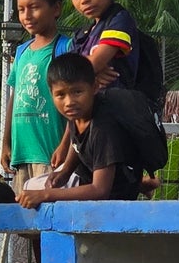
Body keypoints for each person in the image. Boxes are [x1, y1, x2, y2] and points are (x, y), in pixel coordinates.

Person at [16, 51, 143, 211]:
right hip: (92, 190)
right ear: (51, 94)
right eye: (60, 95)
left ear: (95, 87)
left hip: (113, 207)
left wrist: (46, 194)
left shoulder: (103, 129)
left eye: (77, 92)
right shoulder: (77, 115)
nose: (69, 102)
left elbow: (100, 190)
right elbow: (77, 143)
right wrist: (65, 172)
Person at [0, 0, 71, 194]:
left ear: (56, 8)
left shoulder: (65, 48)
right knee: (24, 223)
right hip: (22, 155)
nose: (27, 15)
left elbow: (76, 103)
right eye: (21, 10)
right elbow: (15, 96)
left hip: (51, 154)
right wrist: (6, 141)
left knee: (48, 217)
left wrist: (65, 144)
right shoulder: (21, 52)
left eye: (35, 7)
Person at [62, 0, 140, 91]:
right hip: (91, 107)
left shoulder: (119, 19)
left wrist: (91, 69)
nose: (83, 0)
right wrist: (91, 74)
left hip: (116, 106)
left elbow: (91, 65)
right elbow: (70, 70)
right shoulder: (82, 35)